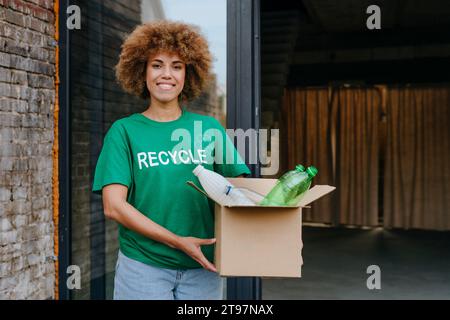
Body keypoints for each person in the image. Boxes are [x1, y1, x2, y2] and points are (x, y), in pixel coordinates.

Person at [92, 21, 250, 300]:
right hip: (143, 268)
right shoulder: (124, 131)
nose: (167, 74)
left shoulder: (209, 129)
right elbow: (113, 206)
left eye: (177, 66)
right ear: (142, 71)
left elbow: (239, 192)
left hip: (203, 268)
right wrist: (178, 242)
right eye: (157, 65)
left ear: (188, 74)